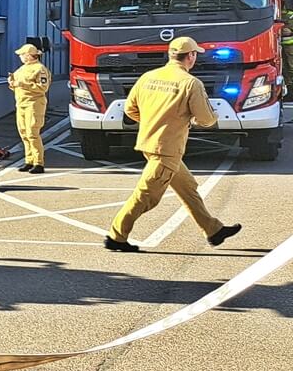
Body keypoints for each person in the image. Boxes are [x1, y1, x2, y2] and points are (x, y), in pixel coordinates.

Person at [103, 36, 240, 254]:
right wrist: (196, 120)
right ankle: (116, 237)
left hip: (150, 143)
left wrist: (153, 122)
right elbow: (206, 119)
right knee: (146, 196)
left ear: (170, 54)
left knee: (188, 188)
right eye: (195, 54)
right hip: (167, 150)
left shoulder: (149, 77)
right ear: (191, 56)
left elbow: (130, 109)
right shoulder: (190, 83)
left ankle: (213, 230)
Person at [7, 39, 51, 173]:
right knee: (24, 133)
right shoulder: (22, 68)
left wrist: (21, 84)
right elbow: (17, 85)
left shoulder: (40, 69)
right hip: (21, 103)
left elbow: (43, 87)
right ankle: (29, 160)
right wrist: (12, 83)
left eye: (22, 54)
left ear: (28, 55)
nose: (20, 57)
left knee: (32, 133)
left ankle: (39, 163)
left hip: (34, 103)